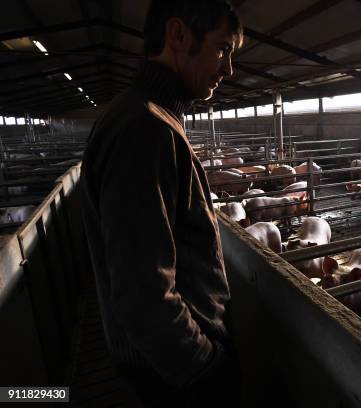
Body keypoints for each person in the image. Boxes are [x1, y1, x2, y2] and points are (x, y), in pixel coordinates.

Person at [80, 1, 243, 406]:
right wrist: (204, 367)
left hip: (164, 365)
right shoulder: (144, 130)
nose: (229, 70)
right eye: (222, 49)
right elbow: (143, 291)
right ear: (178, 35)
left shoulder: (144, 117)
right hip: (176, 375)